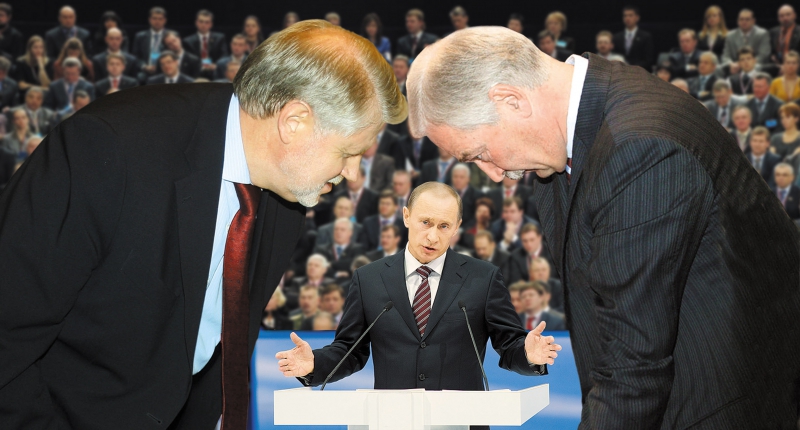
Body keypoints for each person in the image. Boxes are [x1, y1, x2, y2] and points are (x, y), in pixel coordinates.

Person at [0, 20, 407, 429]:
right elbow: (9, 338)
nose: (353, 173)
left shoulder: (287, 191)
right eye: (349, 152)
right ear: (294, 121)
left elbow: (213, 350)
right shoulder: (106, 149)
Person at [406, 26, 800, 427]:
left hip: (716, 406)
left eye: (479, 153)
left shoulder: (639, 149)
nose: (492, 173)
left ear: (511, 100)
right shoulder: (571, 132)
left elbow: (633, 364)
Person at [276, 182, 561, 393]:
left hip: (461, 421)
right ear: (406, 216)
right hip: (391, 420)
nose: (432, 236)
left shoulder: (483, 278)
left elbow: (509, 345)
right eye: (425, 222)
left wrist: (529, 355)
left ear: (457, 227)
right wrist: (314, 364)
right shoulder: (368, 279)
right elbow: (349, 350)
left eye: (444, 226)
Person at [183, 10, 228, 79]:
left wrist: (216, 65)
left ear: (211, 24)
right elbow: (188, 59)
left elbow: (224, 55)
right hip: (196, 73)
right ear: (196, 22)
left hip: (215, 71)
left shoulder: (220, 38)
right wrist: (200, 66)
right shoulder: (188, 41)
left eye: (207, 22)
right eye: (201, 21)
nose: (203, 25)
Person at [132, 7, 170, 79]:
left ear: (165, 20)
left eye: (160, 19)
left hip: (165, 70)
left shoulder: (171, 36)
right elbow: (135, 57)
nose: (157, 21)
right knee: (139, 77)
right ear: (149, 19)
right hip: (145, 71)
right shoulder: (140, 36)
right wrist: (144, 66)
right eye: (154, 18)